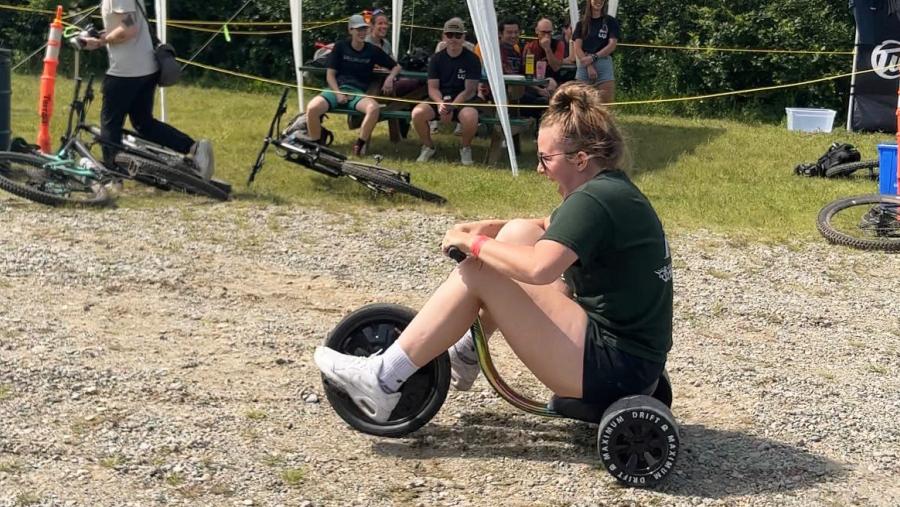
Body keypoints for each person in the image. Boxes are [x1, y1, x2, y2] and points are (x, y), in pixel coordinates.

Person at [315, 81, 674, 424]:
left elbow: (539, 270)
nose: (539, 168)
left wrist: (474, 244)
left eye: (545, 159)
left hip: (612, 368)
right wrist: (489, 227)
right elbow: (545, 227)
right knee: (518, 232)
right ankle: (466, 354)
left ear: (580, 159)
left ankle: (382, 380)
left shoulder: (593, 200)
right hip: (631, 361)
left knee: (480, 270)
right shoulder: (608, 189)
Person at [81, 0, 214, 181]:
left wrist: (100, 42)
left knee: (110, 124)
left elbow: (129, 30)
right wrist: (100, 37)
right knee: (144, 123)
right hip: (146, 69)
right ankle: (194, 148)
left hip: (126, 72)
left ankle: (113, 174)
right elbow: (129, 22)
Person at [305, 14, 401, 156]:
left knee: (374, 108)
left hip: (357, 93)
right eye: (358, 29)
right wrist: (338, 94)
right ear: (350, 30)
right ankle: (315, 146)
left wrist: (390, 78)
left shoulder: (373, 50)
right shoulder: (340, 47)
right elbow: (330, 75)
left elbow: (397, 66)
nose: (362, 33)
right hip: (335, 89)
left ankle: (359, 145)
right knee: (312, 108)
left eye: (364, 29)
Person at [412, 18, 482, 166]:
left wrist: (452, 106)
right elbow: (432, 87)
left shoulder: (473, 59)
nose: (454, 39)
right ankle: (428, 146)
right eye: (450, 35)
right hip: (440, 99)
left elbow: (469, 90)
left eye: (458, 35)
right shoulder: (436, 59)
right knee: (417, 113)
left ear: (463, 37)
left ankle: (465, 148)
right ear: (444, 36)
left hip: (464, 101)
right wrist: (440, 104)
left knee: (471, 116)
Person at [573, 0, 620, 102]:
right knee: (580, 103)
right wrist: (589, 64)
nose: (598, 1)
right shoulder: (581, 24)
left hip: (603, 62)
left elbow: (612, 45)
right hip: (585, 64)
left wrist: (594, 57)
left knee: (606, 104)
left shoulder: (610, 21)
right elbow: (577, 47)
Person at [523, 18, 565, 93]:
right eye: (543, 32)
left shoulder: (558, 44)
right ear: (537, 31)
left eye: (549, 32)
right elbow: (527, 71)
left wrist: (547, 49)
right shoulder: (530, 46)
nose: (546, 35)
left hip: (553, 80)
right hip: (535, 81)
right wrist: (539, 89)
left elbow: (556, 67)